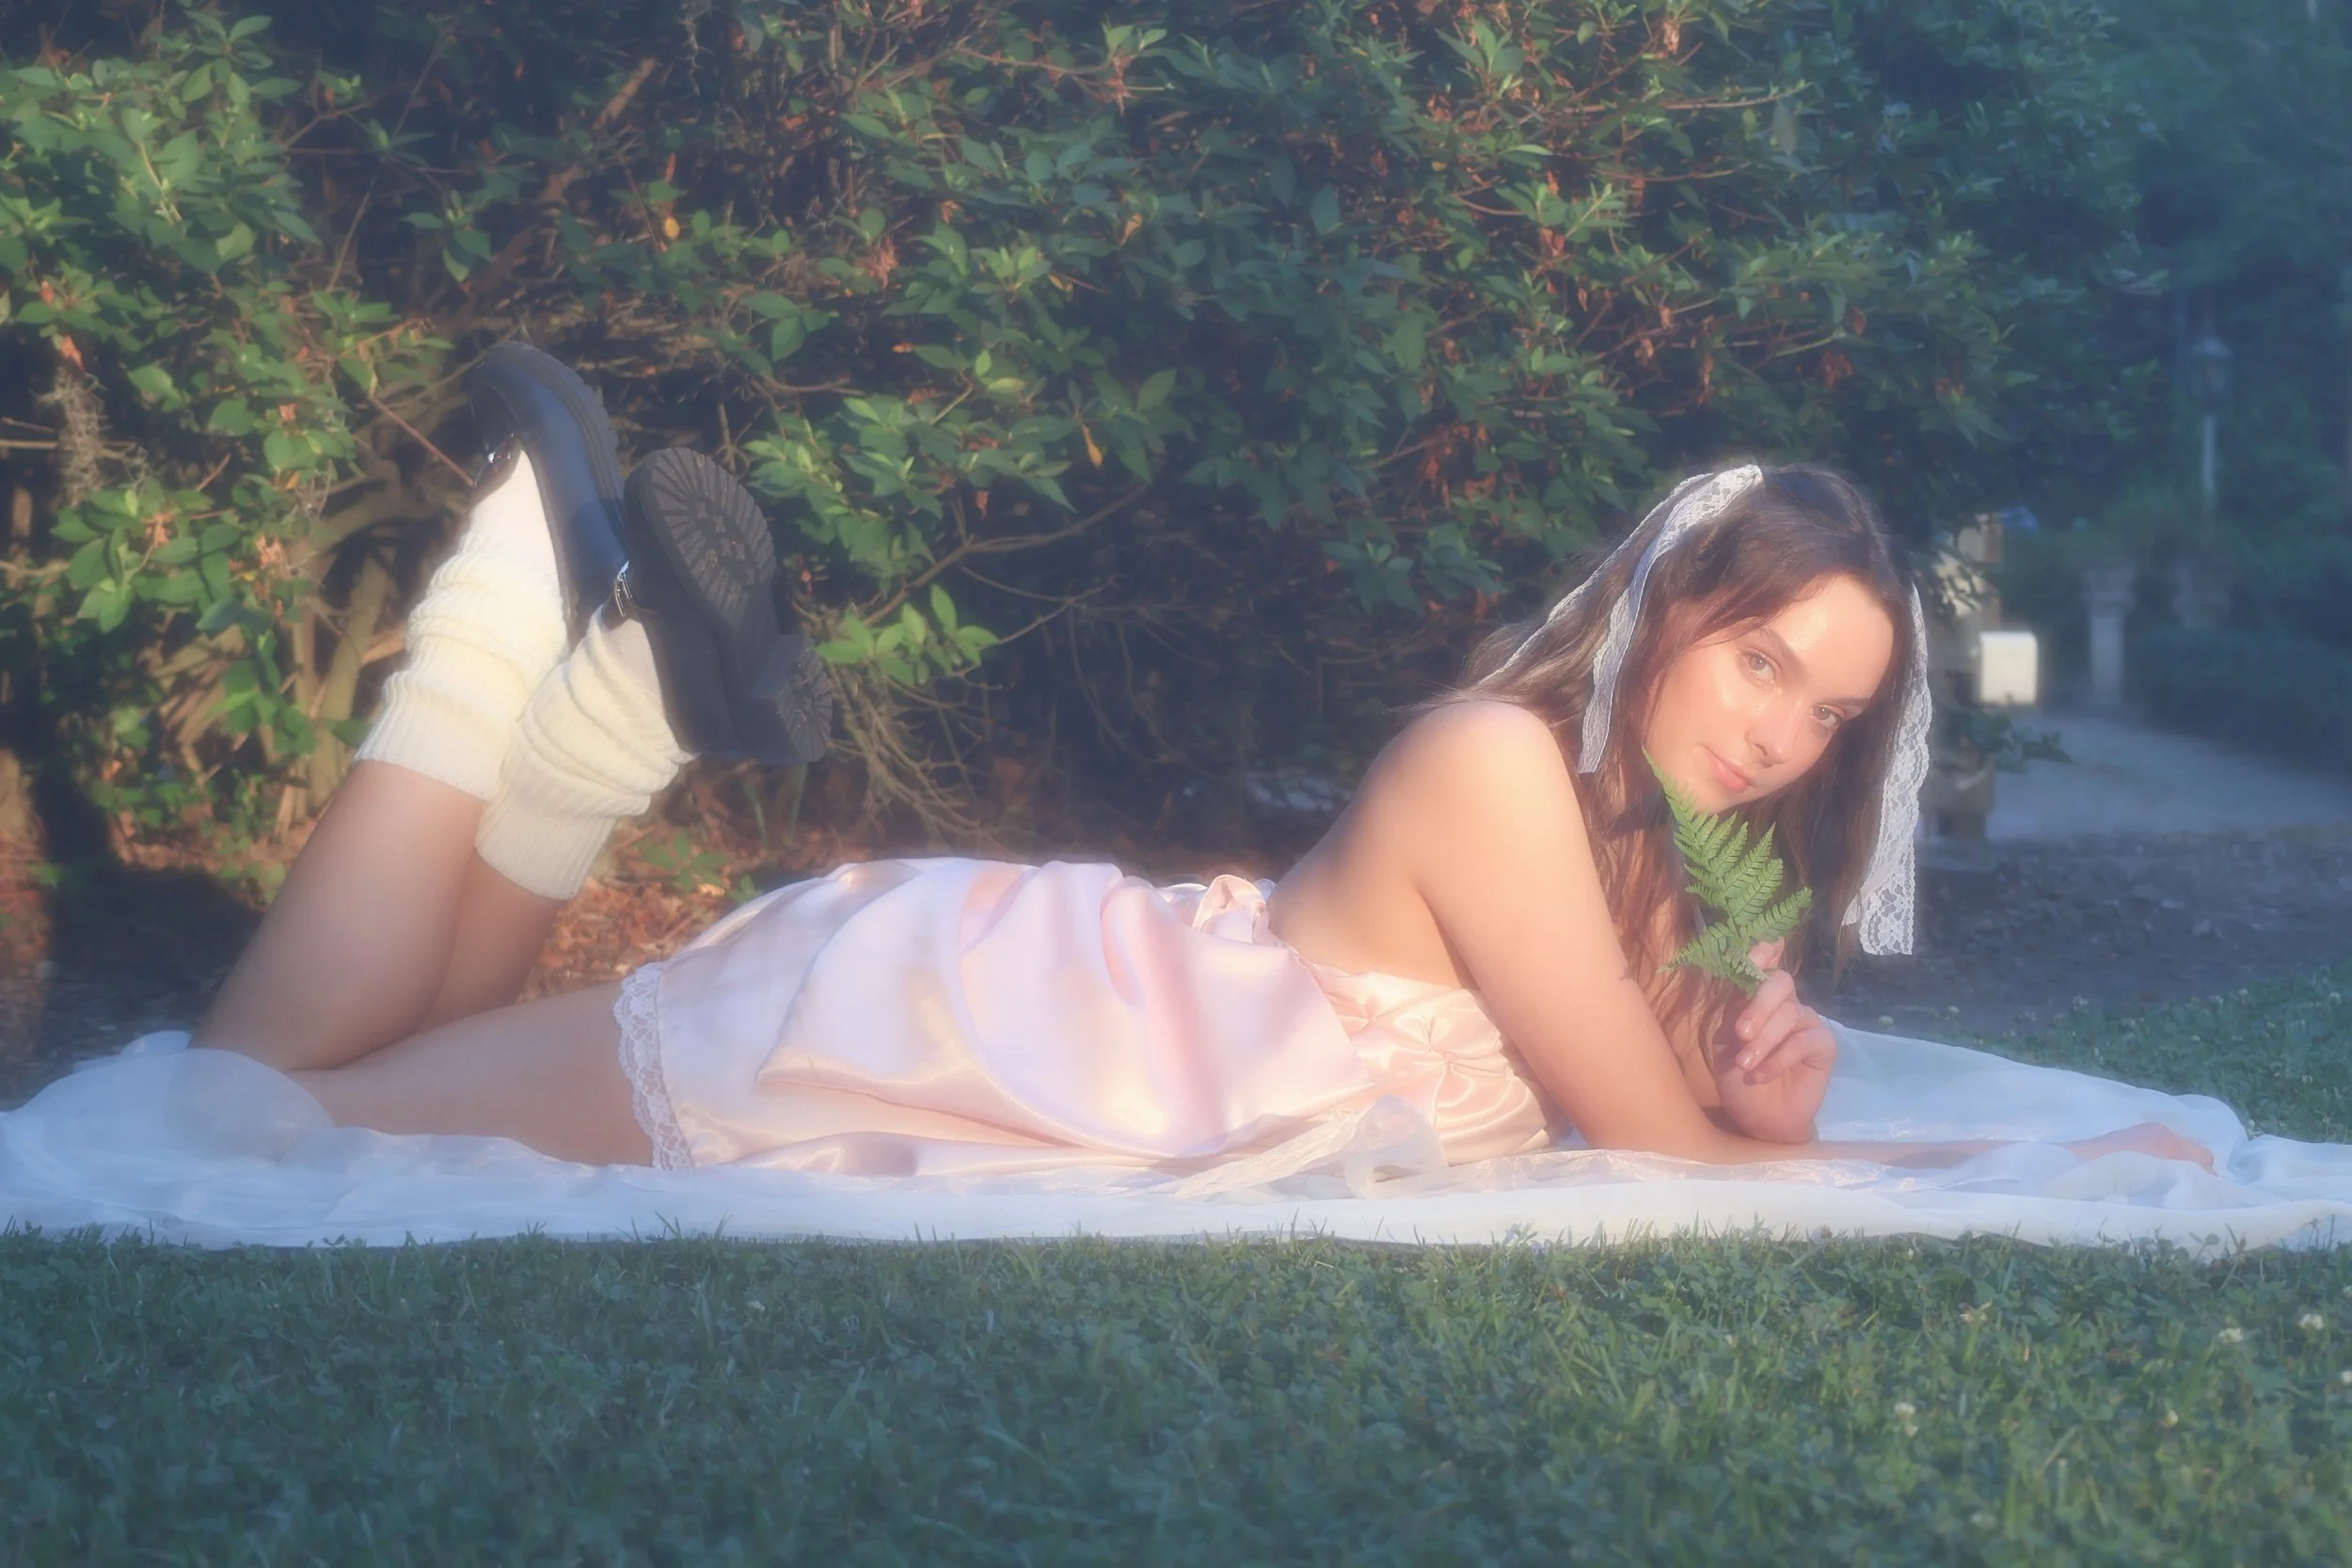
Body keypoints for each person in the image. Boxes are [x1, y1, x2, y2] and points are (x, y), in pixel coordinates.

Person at [192, 346, 2206, 1176]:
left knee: (374, 1097)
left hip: (1031, 1042)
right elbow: (1652, 1166)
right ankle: (503, 596)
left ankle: (608, 710)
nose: (1776, 732)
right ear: (1667, 605)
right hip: (964, 1029)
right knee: (256, 1115)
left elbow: (1668, 1132)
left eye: (1827, 711)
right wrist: (1976, 1163)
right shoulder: (1498, 771)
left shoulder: (1649, 863)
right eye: (1760, 659)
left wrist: (1758, 1091)